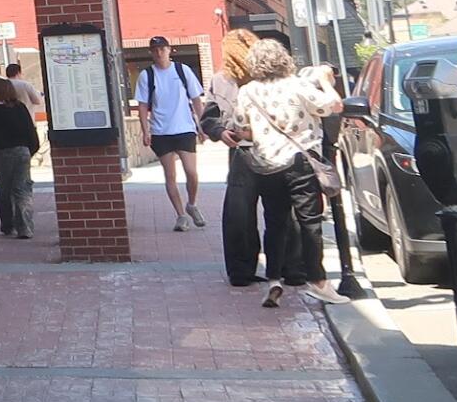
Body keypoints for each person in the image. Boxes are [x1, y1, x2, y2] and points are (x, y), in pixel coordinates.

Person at [226, 38, 342, 306]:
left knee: (275, 224)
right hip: (299, 161)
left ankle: (274, 279)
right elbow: (332, 106)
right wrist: (325, 79)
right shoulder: (296, 84)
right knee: (309, 223)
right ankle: (318, 281)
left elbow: (244, 130)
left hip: (266, 164)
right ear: (283, 58)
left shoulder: (248, 91)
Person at [207, 29, 269, 287]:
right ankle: (289, 266)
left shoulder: (221, 80)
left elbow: (208, 117)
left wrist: (220, 132)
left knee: (239, 213)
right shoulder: (268, 77)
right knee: (279, 211)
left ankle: (241, 270)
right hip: (274, 150)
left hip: (241, 152)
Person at [132, 36, 207, 231]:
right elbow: (142, 105)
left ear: (169, 50)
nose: (159, 52)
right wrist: (145, 130)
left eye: (162, 48)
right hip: (161, 131)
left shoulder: (182, 71)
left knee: (191, 172)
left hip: (184, 128)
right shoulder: (147, 75)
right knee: (170, 175)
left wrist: (203, 125)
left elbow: (196, 100)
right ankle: (181, 215)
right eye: (155, 49)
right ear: (151, 52)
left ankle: (192, 204)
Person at [0, 75, 43, 239]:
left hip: (1, 153)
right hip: (23, 151)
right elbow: (30, 130)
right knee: (22, 188)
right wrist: (31, 149)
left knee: (4, 188)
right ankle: (25, 227)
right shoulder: (20, 107)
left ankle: (8, 224)